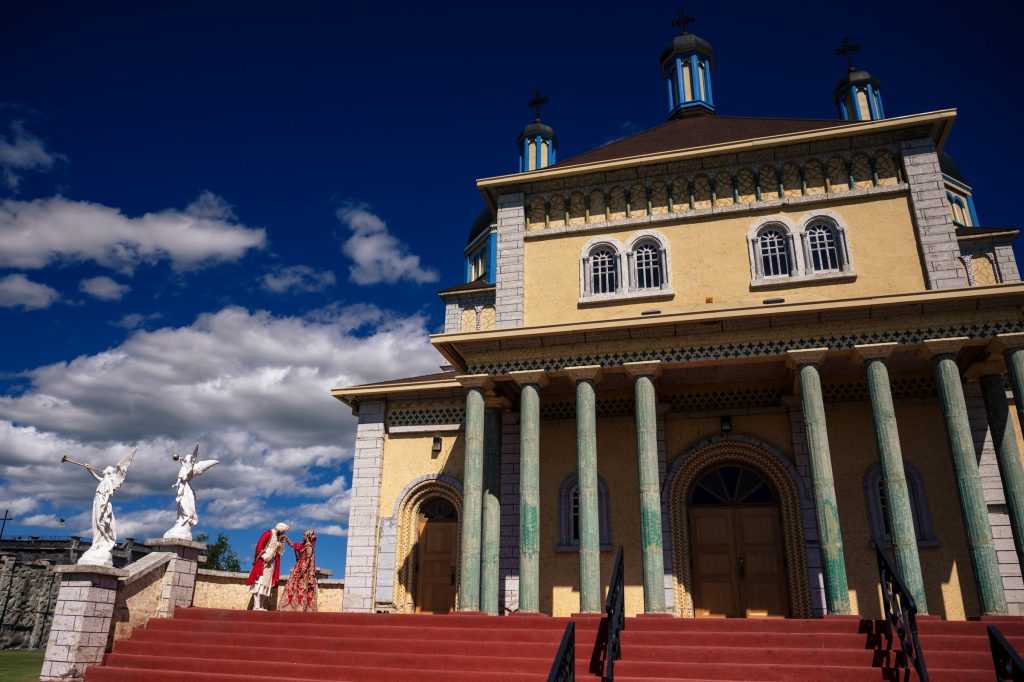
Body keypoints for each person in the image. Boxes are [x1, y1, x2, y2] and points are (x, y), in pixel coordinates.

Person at [246, 522, 289, 610]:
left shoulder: (278, 538)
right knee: (259, 583)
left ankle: (260, 606)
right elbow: (259, 546)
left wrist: (281, 543)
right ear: (280, 530)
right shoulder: (268, 533)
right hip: (263, 562)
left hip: (271, 564)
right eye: (283, 532)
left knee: (266, 584)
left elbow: (278, 552)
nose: (283, 533)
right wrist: (265, 557)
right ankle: (256, 606)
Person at [280, 529, 318, 612]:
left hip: (303, 567)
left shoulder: (309, 547)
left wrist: (304, 571)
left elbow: (308, 560)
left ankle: (301, 607)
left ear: (307, 537)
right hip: (298, 566)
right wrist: (286, 538)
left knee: (302, 586)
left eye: (304, 535)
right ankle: (294, 606)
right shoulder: (302, 545)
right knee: (295, 585)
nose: (303, 537)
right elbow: (292, 544)